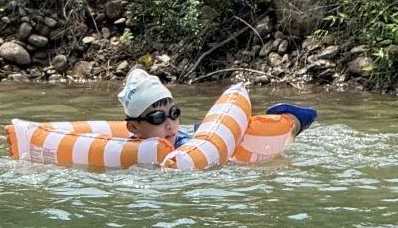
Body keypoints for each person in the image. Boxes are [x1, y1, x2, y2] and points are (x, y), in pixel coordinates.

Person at [117, 66, 316, 144]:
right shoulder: (123, 148)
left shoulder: (182, 145)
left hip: (210, 142)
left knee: (264, 144)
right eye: (158, 118)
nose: (170, 124)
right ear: (134, 127)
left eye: (174, 113)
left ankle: (292, 121)